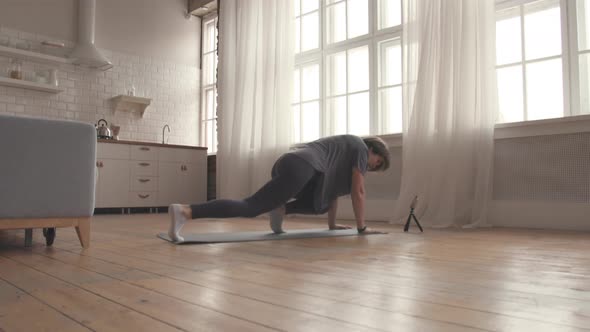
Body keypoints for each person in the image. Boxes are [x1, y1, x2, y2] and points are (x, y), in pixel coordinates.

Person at [168, 135, 391, 241]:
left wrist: (332, 225)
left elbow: (331, 192)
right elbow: (358, 192)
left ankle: (280, 209)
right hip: (303, 167)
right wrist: (362, 228)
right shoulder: (361, 149)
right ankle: (186, 211)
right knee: (251, 206)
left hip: (292, 162)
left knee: (320, 203)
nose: (373, 166)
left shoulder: (345, 149)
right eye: (377, 162)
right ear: (372, 149)